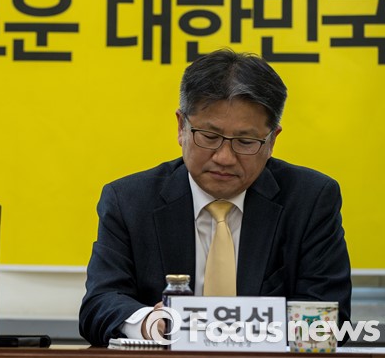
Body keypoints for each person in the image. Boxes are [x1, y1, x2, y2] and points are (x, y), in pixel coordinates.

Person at [79, 48, 352, 346]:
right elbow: (100, 304)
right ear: (181, 127)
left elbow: (328, 318)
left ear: (272, 140)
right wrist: (150, 322)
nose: (224, 158)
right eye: (209, 137)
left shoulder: (310, 200)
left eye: (245, 142)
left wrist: (222, 330)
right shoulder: (130, 201)